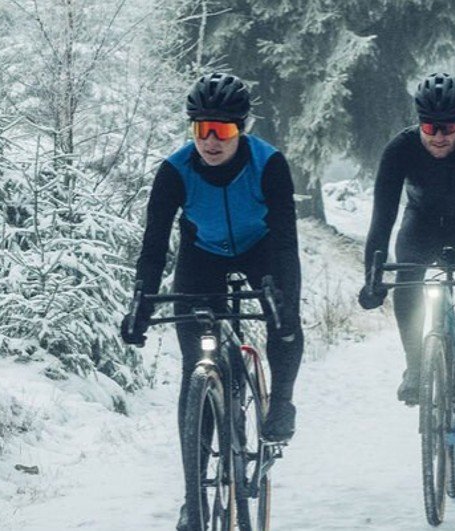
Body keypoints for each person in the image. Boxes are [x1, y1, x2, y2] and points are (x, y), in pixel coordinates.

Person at [120, 73, 303, 527]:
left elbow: (285, 244)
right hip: (202, 255)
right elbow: (154, 246)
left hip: (261, 248)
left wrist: (285, 303)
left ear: (241, 129)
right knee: (193, 369)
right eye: (201, 130)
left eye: (222, 131)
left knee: (286, 319)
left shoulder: (269, 164)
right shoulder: (174, 171)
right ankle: (193, 497)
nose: (211, 141)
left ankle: (280, 401)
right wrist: (140, 303)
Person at [358, 72, 455, 476]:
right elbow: (382, 219)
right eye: (430, 127)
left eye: (449, 128)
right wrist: (373, 277)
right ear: (419, 123)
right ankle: (416, 364)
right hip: (421, 223)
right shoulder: (400, 150)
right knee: (406, 283)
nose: (440, 137)